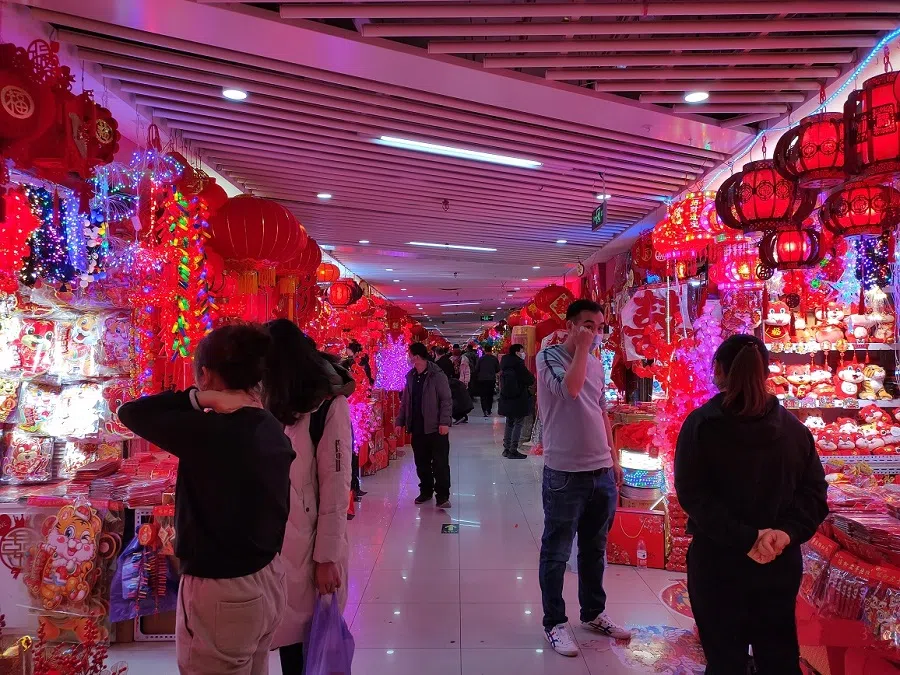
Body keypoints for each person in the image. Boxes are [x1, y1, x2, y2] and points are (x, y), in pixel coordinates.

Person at [118, 324, 294, 675]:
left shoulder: (211, 432)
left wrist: (199, 399)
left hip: (222, 590)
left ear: (206, 374)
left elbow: (131, 413)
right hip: (268, 578)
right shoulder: (267, 424)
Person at [675, 334, 828, 675]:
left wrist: (746, 538)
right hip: (778, 562)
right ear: (766, 373)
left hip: (718, 561)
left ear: (718, 371)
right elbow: (815, 495)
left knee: (724, 658)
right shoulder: (794, 431)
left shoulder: (701, 426)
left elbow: (693, 495)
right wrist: (783, 535)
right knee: (778, 657)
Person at [536, 299, 629, 658]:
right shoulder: (549, 358)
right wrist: (583, 348)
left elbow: (599, 409)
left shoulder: (594, 363)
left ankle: (593, 612)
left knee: (594, 549)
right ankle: (554, 622)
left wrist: (613, 456)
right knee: (557, 552)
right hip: (564, 473)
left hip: (601, 470)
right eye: (587, 324)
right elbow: (570, 391)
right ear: (570, 325)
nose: (594, 332)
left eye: (599, 326)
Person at [262, 319, 354, 674]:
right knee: (288, 639)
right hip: (271, 547)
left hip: (309, 548)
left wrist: (327, 557)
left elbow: (335, 485)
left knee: (305, 645)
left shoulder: (328, 406)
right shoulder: (267, 401)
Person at [395, 341, 453, 508]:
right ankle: (426, 491)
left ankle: (442, 495)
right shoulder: (411, 376)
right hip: (417, 427)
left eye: (409, 354)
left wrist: (444, 422)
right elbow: (405, 402)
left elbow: (446, 400)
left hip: (435, 428)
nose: (408, 357)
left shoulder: (437, 375)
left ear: (416, 357)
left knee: (440, 462)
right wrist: (400, 421)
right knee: (421, 462)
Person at [498, 343, 535, 459]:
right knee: (518, 423)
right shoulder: (519, 365)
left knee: (509, 423)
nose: (523, 353)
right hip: (518, 399)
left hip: (506, 399)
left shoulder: (504, 364)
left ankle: (506, 449)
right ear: (517, 352)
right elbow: (530, 379)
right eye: (522, 351)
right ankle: (513, 450)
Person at [475, 345, 501, 416]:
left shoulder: (481, 359)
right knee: (490, 394)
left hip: (482, 379)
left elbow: (477, 369)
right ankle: (489, 409)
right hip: (491, 379)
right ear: (491, 350)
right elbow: (498, 369)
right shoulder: (494, 359)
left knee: (483, 395)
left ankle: (484, 410)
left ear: (484, 350)